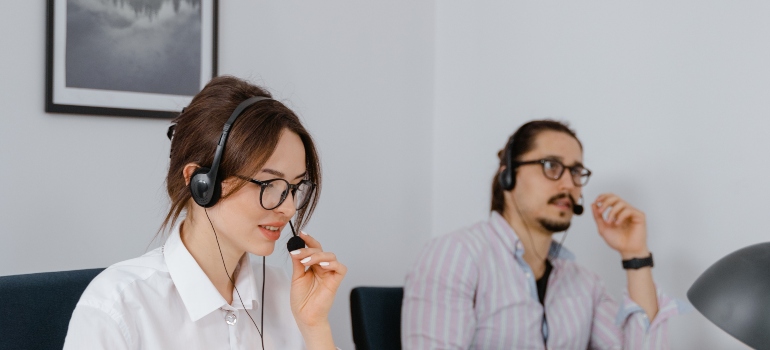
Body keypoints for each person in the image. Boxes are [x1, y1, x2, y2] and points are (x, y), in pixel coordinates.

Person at [64, 76, 346, 350]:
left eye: (295, 187)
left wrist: (314, 327)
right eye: (269, 184)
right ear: (201, 183)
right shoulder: (118, 307)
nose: (288, 207)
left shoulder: (287, 294)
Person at [402, 120, 687, 349]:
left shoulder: (585, 285)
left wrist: (634, 255)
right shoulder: (455, 256)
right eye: (551, 166)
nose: (568, 183)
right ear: (508, 175)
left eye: (576, 172)